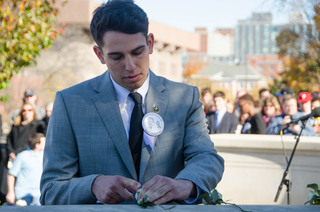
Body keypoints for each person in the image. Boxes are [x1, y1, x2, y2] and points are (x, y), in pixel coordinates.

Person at [40, 0, 224, 205]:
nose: (130, 66)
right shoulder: (70, 103)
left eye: (137, 52)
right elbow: (50, 190)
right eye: (117, 57)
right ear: (99, 55)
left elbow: (208, 159)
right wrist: (93, 185)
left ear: (150, 43)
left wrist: (184, 185)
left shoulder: (184, 98)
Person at [6, 133, 45, 206]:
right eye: (44, 142)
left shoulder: (45, 157)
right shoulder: (22, 156)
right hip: (23, 196)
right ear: (37, 145)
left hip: (39, 196)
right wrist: (10, 192)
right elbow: (11, 174)